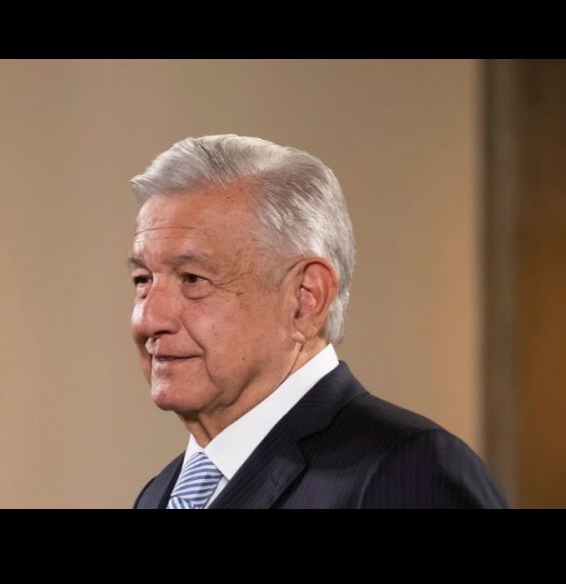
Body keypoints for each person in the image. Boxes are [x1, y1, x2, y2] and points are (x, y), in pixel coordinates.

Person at [128, 134, 507, 509]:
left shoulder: (408, 472)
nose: (149, 319)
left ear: (306, 298)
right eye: (143, 280)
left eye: (193, 279)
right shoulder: (158, 495)